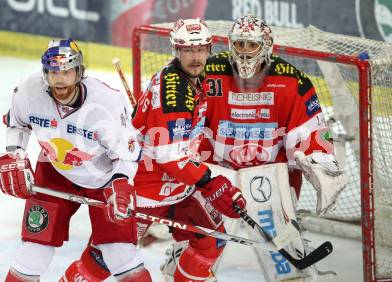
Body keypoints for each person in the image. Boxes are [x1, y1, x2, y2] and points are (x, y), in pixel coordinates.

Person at [199, 15, 347, 280]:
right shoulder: (208, 73)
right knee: (202, 238)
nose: (243, 52)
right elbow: (187, 121)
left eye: (250, 45)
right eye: (239, 44)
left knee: (283, 249)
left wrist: (323, 167)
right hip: (218, 170)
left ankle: (291, 272)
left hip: (268, 175)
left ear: (266, 46)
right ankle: (188, 269)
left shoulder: (292, 81)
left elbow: (310, 132)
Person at [0, 38, 152, 282]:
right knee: (33, 253)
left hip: (104, 179)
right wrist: (15, 155)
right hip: (54, 171)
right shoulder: (28, 91)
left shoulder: (106, 102)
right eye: (53, 72)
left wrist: (121, 183)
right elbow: (18, 125)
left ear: (79, 71)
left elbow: (126, 155)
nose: (60, 79)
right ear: (45, 73)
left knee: (120, 254)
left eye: (66, 72)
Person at [131, 18, 247, 282]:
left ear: (209, 49)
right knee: (107, 257)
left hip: (179, 185)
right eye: (187, 50)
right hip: (144, 187)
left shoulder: (194, 76)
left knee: (211, 242)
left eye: (199, 50)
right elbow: (168, 155)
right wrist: (210, 181)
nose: (194, 57)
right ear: (176, 51)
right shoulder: (176, 93)